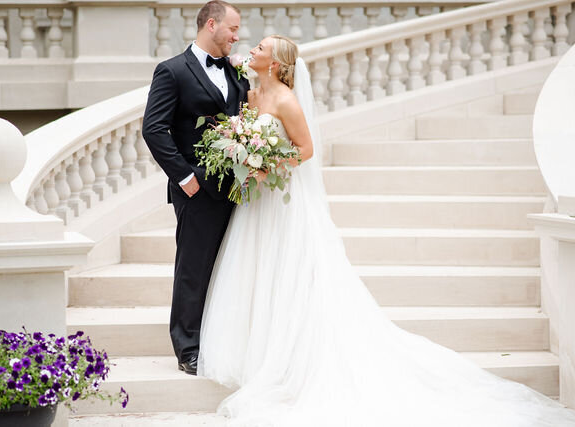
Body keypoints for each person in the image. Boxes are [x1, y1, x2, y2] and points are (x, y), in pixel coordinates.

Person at [198, 35, 575, 426]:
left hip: (283, 201)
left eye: (261, 48)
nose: (253, 50)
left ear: (275, 63)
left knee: (291, 272)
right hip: (258, 202)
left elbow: (306, 149)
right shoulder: (253, 94)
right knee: (261, 270)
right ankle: (259, 351)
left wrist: (268, 165)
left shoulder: (287, 101)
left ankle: (289, 357)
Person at [142, 0, 250, 376]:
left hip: (237, 189)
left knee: (230, 266)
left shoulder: (237, 73)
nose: (237, 37)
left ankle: (223, 339)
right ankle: (187, 347)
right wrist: (185, 178)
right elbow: (154, 129)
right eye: (233, 29)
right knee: (194, 268)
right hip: (197, 191)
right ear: (210, 25)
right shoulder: (172, 71)